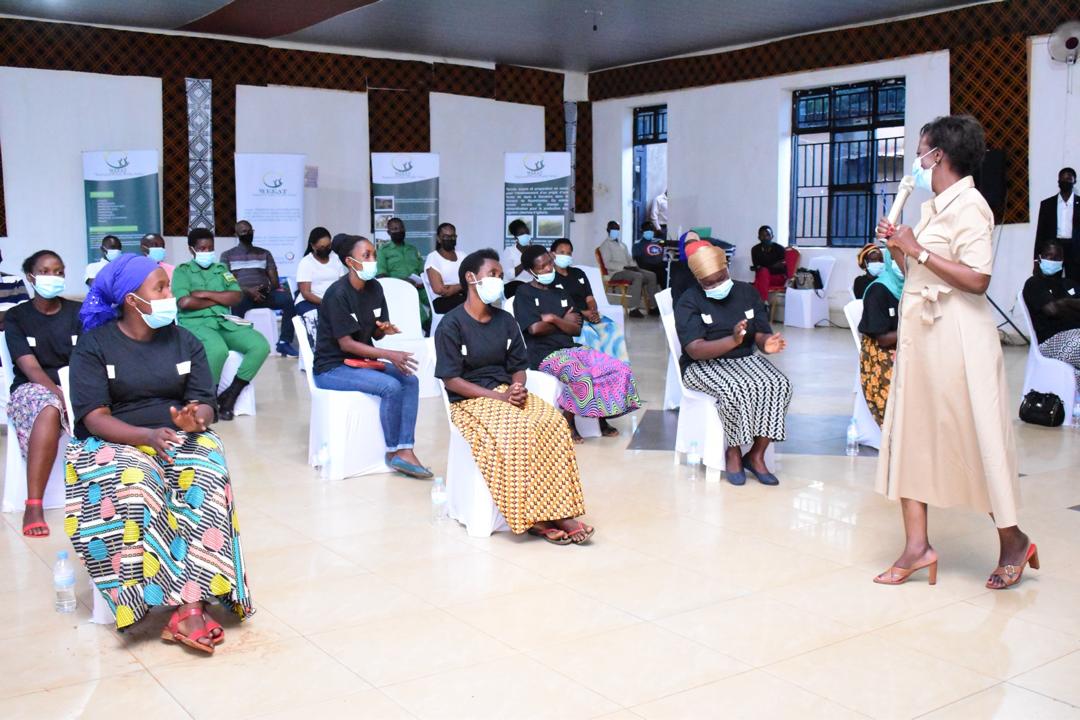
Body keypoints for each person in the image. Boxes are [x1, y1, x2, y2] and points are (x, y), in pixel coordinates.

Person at [874, 114, 1035, 590]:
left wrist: (917, 250)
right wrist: (899, 246)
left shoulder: (972, 207)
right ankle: (917, 546)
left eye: (921, 150)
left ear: (937, 155)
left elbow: (978, 280)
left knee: (975, 439)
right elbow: (919, 274)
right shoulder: (931, 207)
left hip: (961, 339)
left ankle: (1014, 540)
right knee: (911, 434)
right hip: (923, 336)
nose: (917, 160)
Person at [67, 253, 252, 650]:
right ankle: (157, 600)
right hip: (115, 439)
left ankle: (191, 604)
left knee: (204, 466)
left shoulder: (186, 341)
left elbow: (205, 403)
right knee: (141, 481)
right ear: (133, 300)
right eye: (161, 288)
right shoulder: (95, 345)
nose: (171, 295)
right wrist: (144, 436)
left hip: (173, 434)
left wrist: (194, 420)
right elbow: (94, 416)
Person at [434, 249, 593, 544]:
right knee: (518, 430)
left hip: (506, 393)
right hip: (470, 400)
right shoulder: (451, 324)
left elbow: (518, 366)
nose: (498, 279)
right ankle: (534, 517)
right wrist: (499, 399)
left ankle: (560, 510)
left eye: (500, 275)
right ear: (471, 278)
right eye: (492, 274)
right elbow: (451, 379)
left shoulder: (504, 320)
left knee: (553, 425)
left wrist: (516, 387)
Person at [314, 234, 432, 479]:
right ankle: (392, 452)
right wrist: (390, 354)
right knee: (390, 386)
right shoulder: (337, 294)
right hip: (332, 367)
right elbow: (346, 344)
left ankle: (406, 448)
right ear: (350, 262)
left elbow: (375, 335)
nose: (372, 261)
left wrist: (382, 329)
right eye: (365, 256)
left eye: (373, 255)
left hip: (362, 363)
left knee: (410, 380)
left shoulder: (375, 287)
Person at [675, 245, 790, 485]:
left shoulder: (746, 292)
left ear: (727, 269)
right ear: (698, 280)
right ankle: (733, 450)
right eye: (709, 283)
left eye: (721, 278)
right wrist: (733, 340)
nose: (717, 286)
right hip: (701, 366)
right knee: (735, 389)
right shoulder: (689, 301)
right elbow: (695, 350)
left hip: (743, 358)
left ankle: (756, 454)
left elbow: (759, 332)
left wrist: (765, 342)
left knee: (780, 384)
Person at [514, 245, 641, 442]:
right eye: (542, 267)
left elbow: (575, 328)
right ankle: (568, 420)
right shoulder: (524, 293)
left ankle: (601, 416)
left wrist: (553, 319)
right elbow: (534, 329)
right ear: (531, 271)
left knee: (618, 369)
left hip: (571, 348)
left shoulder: (560, 290)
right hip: (543, 354)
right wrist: (563, 321)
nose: (549, 269)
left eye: (549, 263)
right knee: (581, 376)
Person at [5, 251, 80, 537]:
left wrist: (75, 392)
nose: (54, 277)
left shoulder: (78, 313)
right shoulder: (17, 317)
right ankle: (34, 505)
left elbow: (86, 357)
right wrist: (59, 395)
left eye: (59, 271)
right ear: (31, 277)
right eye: (46, 271)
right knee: (49, 407)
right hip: (32, 388)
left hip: (74, 384)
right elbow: (30, 366)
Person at [173, 228, 271, 421]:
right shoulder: (182, 271)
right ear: (191, 249)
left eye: (210, 248)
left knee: (260, 345)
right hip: (196, 323)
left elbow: (236, 296)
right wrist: (220, 299)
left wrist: (203, 294)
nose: (207, 251)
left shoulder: (221, 270)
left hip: (224, 322)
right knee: (218, 351)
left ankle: (230, 396)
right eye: (202, 248)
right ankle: (208, 400)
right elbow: (184, 302)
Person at [220, 219, 299, 357]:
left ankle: (284, 342)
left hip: (264, 294)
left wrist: (265, 288)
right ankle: (240, 342)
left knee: (288, 300)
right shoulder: (227, 255)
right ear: (236, 234)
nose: (248, 233)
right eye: (244, 231)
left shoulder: (265, 253)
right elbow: (226, 281)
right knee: (236, 303)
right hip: (242, 294)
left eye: (250, 231)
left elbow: (275, 281)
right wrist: (248, 290)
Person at [550, 238, 629, 363]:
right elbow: (556, 306)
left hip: (588, 315)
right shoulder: (550, 278)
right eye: (562, 252)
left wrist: (593, 312)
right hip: (570, 318)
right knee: (591, 336)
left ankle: (619, 369)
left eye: (569, 253)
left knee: (612, 328)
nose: (566, 256)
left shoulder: (578, 273)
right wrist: (583, 313)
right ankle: (597, 373)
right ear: (552, 254)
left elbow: (590, 298)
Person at [1023, 239, 1080, 390]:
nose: (1052, 260)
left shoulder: (1069, 284)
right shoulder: (1034, 283)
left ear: (1062, 261)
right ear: (1040, 258)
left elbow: (1059, 307)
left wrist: (1065, 304)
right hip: (1051, 341)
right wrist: (1071, 304)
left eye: (1057, 258)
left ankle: (1074, 397)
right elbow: (1052, 310)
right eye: (1049, 256)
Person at [857, 250, 904, 426]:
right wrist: (911, 331)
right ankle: (898, 432)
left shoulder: (908, 287)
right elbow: (882, 339)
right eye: (894, 258)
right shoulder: (878, 291)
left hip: (904, 345)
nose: (900, 263)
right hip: (880, 353)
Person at [376, 217, 431, 329]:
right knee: (416, 307)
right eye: (395, 229)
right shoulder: (383, 250)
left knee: (436, 301)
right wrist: (404, 282)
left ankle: (433, 328)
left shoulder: (413, 249)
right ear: (388, 232)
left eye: (401, 228)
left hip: (419, 286)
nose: (399, 231)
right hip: (398, 288)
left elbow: (422, 271)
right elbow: (381, 276)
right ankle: (424, 328)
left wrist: (422, 280)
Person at [598, 220, 659, 318]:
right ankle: (633, 309)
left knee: (651, 275)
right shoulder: (605, 245)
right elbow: (607, 264)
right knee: (638, 276)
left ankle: (653, 306)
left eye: (617, 229)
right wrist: (624, 267)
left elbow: (630, 259)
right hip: (616, 273)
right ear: (608, 230)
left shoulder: (622, 245)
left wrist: (634, 267)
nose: (615, 231)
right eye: (613, 229)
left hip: (629, 270)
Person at [1034, 167, 1078, 278]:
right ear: (1058, 181)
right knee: (1052, 284)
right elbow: (1040, 233)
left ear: (1074, 181)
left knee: (1075, 286)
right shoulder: (1047, 204)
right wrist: (1036, 260)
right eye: (1062, 179)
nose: (1065, 182)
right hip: (1054, 250)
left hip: (1075, 251)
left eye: (1068, 179)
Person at [424, 222, 466, 314]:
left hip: (463, 297)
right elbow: (440, 290)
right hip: (442, 302)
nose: (450, 239)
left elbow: (472, 280)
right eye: (446, 237)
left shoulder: (462, 255)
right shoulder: (433, 258)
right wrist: (462, 285)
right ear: (439, 239)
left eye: (453, 236)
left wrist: (453, 288)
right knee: (470, 306)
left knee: (483, 303)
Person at [750, 226, 789, 303]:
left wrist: (765, 268)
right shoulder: (755, 249)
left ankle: (762, 303)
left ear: (772, 236)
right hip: (763, 277)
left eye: (767, 235)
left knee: (758, 281)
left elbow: (782, 268)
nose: (765, 237)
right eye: (762, 235)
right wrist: (771, 266)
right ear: (759, 237)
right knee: (762, 274)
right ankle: (763, 303)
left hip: (777, 278)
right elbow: (757, 266)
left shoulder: (779, 249)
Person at [500, 219, 533, 299]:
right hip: (512, 289)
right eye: (521, 234)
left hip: (531, 288)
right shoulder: (509, 251)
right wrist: (526, 258)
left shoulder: (533, 251)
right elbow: (510, 275)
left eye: (527, 233)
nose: (525, 235)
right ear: (515, 237)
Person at [633, 220, 667, 290]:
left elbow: (667, 246)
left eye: (651, 230)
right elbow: (639, 262)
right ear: (642, 231)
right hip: (648, 269)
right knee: (661, 274)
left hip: (661, 267)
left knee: (671, 274)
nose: (650, 231)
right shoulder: (637, 245)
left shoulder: (659, 242)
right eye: (647, 230)